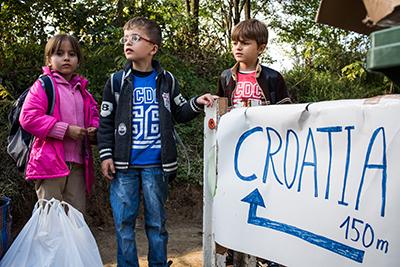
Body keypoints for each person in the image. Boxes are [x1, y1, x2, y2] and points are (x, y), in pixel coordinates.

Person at [97, 17, 215, 267]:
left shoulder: (167, 80)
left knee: (156, 223)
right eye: (126, 38)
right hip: (123, 166)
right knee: (124, 223)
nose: (128, 42)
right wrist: (106, 155)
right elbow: (105, 122)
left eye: (135, 38)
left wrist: (197, 102)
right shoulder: (116, 82)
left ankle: (158, 264)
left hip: (157, 166)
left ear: (153, 48)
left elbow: (180, 111)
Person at [216, 18, 291, 267]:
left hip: (265, 153)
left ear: (261, 47)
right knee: (233, 200)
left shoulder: (273, 78)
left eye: (245, 43)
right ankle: (232, 252)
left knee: (266, 202)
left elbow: (286, 112)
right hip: (233, 154)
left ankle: (266, 255)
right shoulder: (226, 77)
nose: (238, 47)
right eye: (235, 42)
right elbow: (220, 110)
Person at [19, 34, 99, 213]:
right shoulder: (44, 85)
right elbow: (28, 117)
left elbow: (94, 115)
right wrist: (65, 130)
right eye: (59, 54)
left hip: (78, 165)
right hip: (49, 164)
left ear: (78, 60)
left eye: (72, 54)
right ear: (49, 59)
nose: (66, 58)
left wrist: (95, 129)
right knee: (50, 219)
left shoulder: (83, 91)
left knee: (76, 218)